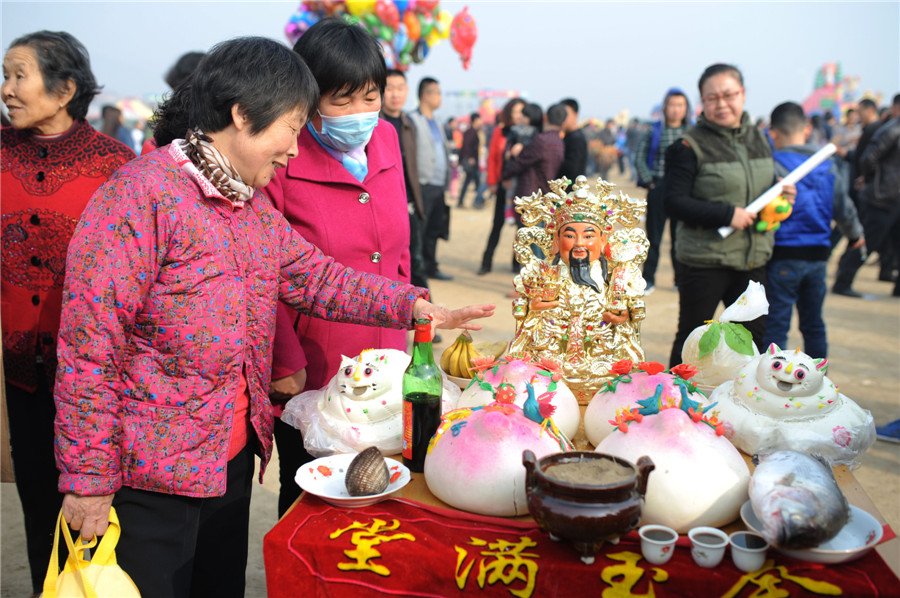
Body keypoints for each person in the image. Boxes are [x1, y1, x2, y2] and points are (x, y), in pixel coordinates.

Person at [53, 36, 493, 598]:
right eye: (291, 127)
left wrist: (415, 306)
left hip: (231, 458)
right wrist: (89, 480)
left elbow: (318, 278)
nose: (294, 149)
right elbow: (89, 349)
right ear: (242, 115)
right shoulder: (140, 198)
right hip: (149, 475)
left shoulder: (249, 204)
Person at [263, 19, 416, 517]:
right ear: (309, 100)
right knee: (313, 495)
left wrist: (413, 316)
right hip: (314, 366)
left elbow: (398, 250)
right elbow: (266, 270)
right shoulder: (281, 157)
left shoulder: (386, 138)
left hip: (387, 356)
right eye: (342, 101)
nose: (359, 114)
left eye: (370, 97)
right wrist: (284, 362)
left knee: (385, 489)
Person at [1, 29, 135, 595]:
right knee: (38, 508)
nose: (7, 89)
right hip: (20, 375)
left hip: (95, 379)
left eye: (19, 75)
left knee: (96, 517)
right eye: (5, 76)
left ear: (65, 90)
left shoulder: (115, 165)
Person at [663, 63, 795, 367]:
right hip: (704, 261)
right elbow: (673, 202)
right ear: (702, 102)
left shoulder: (759, 137)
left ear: (742, 94)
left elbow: (760, 189)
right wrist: (726, 214)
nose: (721, 104)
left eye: (728, 95)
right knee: (693, 343)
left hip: (753, 259)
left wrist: (780, 196)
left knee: (751, 344)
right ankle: (675, 396)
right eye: (712, 98)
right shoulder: (688, 146)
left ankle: (740, 397)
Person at [508, 175, 648, 393]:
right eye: (570, 236)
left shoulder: (617, 279)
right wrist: (534, 309)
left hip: (601, 360)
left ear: (603, 241)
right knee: (537, 375)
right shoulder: (543, 275)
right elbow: (526, 316)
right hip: (551, 359)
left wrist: (623, 316)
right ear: (556, 241)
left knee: (616, 379)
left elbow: (629, 318)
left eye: (589, 236)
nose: (579, 244)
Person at [762, 102, 864, 358]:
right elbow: (843, 207)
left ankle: (770, 378)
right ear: (806, 129)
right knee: (813, 324)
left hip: (783, 254)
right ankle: (820, 377)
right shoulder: (827, 164)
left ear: (773, 133)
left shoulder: (772, 164)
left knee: (776, 325)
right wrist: (855, 235)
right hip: (818, 255)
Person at [831, 93, 900, 299]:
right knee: (866, 242)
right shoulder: (892, 130)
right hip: (881, 197)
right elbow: (868, 158)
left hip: (893, 198)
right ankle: (843, 282)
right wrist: (872, 179)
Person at [634, 87, 691, 293]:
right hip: (658, 187)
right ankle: (648, 280)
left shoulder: (691, 132)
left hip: (683, 190)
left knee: (680, 237)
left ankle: (679, 280)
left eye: (680, 105)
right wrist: (649, 181)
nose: (676, 109)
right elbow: (640, 157)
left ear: (686, 108)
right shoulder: (654, 131)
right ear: (665, 107)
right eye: (672, 105)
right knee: (654, 237)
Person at [381, 68, 428, 290]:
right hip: (385, 201)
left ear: (407, 91)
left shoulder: (410, 124)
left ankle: (423, 304)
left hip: (408, 201)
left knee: (414, 259)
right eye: (390, 88)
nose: (395, 94)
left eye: (400, 88)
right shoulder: (374, 122)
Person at [409, 77, 454, 281]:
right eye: (437, 93)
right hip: (423, 184)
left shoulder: (436, 121)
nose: (440, 97)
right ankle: (416, 270)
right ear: (425, 95)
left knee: (435, 228)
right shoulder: (412, 120)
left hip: (438, 185)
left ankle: (431, 266)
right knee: (420, 229)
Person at [477, 97, 525, 275]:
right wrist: (491, 182)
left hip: (522, 187)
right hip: (503, 184)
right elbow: (492, 158)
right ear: (508, 113)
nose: (518, 115)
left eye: (522, 112)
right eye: (515, 111)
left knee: (521, 227)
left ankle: (516, 263)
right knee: (497, 224)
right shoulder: (500, 131)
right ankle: (486, 262)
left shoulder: (528, 133)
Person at [557, 98, 588, 185]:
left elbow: (572, 169)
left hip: (570, 189)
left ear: (576, 115)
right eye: (561, 114)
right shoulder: (568, 136)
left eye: (566, 114)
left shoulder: (576, 139)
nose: (563, 118)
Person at [456, 111, 483, 208]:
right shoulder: (471, 132)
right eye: (479, 119)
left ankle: (477, 201)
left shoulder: (473, 131)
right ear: (475, 120)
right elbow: (466, 146)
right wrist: (470, 157)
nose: (481, 121)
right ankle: (477, 201)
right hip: (471, 161)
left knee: (475, 182)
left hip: (472, 161)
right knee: (474, 182)